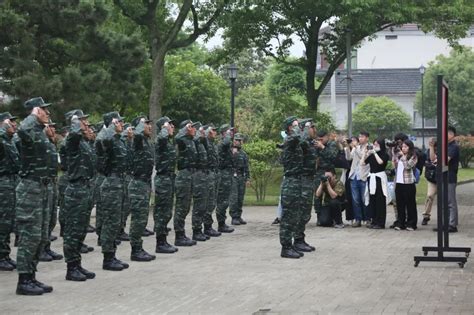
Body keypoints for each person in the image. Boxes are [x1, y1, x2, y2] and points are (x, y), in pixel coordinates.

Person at [15, 97, 54, 295]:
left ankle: (31, 276)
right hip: (30, 188)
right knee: (29, 236)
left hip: (42, 188)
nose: (48, 114)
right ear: (37, 111)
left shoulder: (40, 134)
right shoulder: (28, 131)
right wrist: (32, 115)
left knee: (40, 236)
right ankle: (23, 281)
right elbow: (21, 129)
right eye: (45, 110)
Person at [62, 110, 97, 281]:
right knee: (72, 231)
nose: (86, 123)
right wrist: (75, 121)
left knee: (81, 229)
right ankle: (71, 267)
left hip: (85, 189)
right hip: (75, 190)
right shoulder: (72, 140)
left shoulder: (83, 141)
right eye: (82, 120)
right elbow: (74, 133)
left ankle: (77, 264)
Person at [99, 111, 130, 271]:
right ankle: (107, 258)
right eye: (118, 122)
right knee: (110, 221)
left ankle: (112, 255)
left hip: (119, 182)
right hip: (111, 183)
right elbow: (103, 140)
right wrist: (110, 126)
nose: (122, 124)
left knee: (115, 221)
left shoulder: (119, 141)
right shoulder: (108, 139)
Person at [126, 116, 156, 261]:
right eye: (146, 125)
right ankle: (135, 250)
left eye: (150, 125)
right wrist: (139, 125)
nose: (150, 127)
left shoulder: (146, 142)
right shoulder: (137, 141)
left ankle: (139, 248)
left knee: (142, 218)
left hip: (144, 183)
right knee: (138, 219)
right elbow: (137, 134)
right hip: (137, 184)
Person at [279, 116, 304, 259]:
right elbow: (296, 136)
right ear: (289, 127)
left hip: (296, 182)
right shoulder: (289, 139)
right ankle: (285, 247)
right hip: (290, 183)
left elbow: (302, 140)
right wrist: (298, 129)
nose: (298, 127)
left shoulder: (294, 140)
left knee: (294, 216)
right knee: (288, 216)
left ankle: (290, 245)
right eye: (295, 125)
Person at [38, 121, 63, 262]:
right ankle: (40, 249)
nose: (53, 129)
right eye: (50, 126)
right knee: (43, 219)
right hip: (43, 183)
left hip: (52, 182)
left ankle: (46, 247)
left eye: (54, 126)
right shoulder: (39, 142)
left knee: (51, 218)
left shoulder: (50, 143)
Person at [154, 116, 179, 253]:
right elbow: (162, 138)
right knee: (162, 212)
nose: (172, 127)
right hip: (163, 180)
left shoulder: (168, 143)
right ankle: (160, 243)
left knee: (167, 212)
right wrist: (164, 127)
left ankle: (163, 240)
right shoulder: (161, 140)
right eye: (170, 125)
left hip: (169, 179)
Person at [173, 120, 200, 246]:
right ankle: (179, 235)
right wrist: (184, 128)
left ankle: (182, 233)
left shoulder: (192, 141)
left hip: (190, 175)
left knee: (186, 206)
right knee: (181, 206)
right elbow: (177, 137)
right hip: (183, 175)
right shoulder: (182, 140)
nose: (194, 129)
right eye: (191, 127)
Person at [0, 113, 20, 271]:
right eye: (10, 122)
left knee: (7, 222)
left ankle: (5, 255)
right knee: (3, 222)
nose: (13, 125)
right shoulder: (1, 139)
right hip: (3, 183)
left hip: (11, 182)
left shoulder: (10, 141)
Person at [293, 119, 317, 251]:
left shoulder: (309, 143)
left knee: (305, 212)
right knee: (302, 212)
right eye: (312, 128)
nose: (315, 130)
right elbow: (301, 141)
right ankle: (297, 240)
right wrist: (305, 130)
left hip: (308, 180)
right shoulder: (302, 142)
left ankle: (300, 238)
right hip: (302, 181)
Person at [361, 138, 389, 229]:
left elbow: (381, 162)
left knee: (380, 200)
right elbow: (362, 163)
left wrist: (374, 153)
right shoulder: (371, 155)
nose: (375, 146)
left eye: (377, 144)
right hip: (371, 178)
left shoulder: (384, 154)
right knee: (372, 200)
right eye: (374, 144)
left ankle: (380, 222)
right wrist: (365, 153)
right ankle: (374, 220)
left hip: (379, 178)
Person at [191, 122, 210, 241]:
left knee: (203, 204)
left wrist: (203, 138)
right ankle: (196, 230)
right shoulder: (194, 142)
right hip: (197, 175)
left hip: (203, 174)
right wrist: (198, 135)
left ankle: (200, 229)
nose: (204, 132)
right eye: (201, 130)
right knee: (198, 204)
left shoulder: (202, 143)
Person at [393, 139, 418, 231]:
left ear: (410, 147)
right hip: (399, 183)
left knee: (410, 204)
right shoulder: (399, 156)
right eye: (402, 146)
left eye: (405, 147)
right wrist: (395, 153)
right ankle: (401, 223)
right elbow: (394, 165)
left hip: (408, 183)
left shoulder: (413, 156)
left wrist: (403, 156)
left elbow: (408, 166)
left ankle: (411, 223)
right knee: (400, 204)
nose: (403, 148)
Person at [314, 130, 338, 223]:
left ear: (327, 137)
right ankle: (319, 216)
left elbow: (332, 156)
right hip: (319, 171)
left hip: (329, 172)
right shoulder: (316, 145)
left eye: (321, 139)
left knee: (331, 194)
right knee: (317, 194)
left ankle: (333, 216)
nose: (320, 141)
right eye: (318, 139)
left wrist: (322, 147)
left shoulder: (332, 144)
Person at [347, 131, 370, 227]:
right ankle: (358, 219)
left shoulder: (369, 147)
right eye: (359, 137)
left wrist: (355, 147)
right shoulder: (357, 147)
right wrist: (347, 147)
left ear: (367, 138)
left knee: (365, 199)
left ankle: (368, 218)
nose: (360, 138)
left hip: (363, 176)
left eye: (362, 137)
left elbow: (363, 158)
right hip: (354, 176)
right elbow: (349, 158)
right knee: (355, 199)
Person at [202, 124, 222, 237]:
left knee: (212, 201)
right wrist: (205, 133)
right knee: (207, 202)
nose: (215, 132)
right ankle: (206, 227)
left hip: (213, 173)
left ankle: (208, 226)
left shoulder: (213, 144)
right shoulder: (204, 142)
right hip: (207, 174)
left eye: (215, 130)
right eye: (212, 131)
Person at [215, 124, 235, 233]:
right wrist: (227, 136)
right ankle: (221, 224)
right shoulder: (223, 143)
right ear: (223, 133)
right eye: (228, 132)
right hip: (223, 175)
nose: (231, 133)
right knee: (222, 200)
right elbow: (227, 142)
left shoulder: (226, 144)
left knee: (225, 200)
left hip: (227, 174)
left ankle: (222, 222)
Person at [230, 133, 250, 225]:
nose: (237, 142)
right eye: (236, 140)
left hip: (241, 177)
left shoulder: (244, 154)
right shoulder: (230, 152)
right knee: (234, 197)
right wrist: (233, 154)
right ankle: (234, 217)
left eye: (239, 140)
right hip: (232, 177)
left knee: (240, 198)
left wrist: (248, 179)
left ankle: (238, 216)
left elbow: (246, 167)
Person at [445, 126, 460, 232]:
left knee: (450, 201)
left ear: (451, 135)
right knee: (443, 201)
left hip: (450, 176)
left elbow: (446, 160)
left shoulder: (453, 146)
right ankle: (444, 223)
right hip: (442, 176)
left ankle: (452, 224)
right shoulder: (445, 146)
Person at [422, 138, 437, 225]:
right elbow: (431, 159)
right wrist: (431, 148)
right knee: (430, 196)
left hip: (442, 178)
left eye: (432, 142)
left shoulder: (442, 150)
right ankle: (426, 216)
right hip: (432, 178)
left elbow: (434, 160)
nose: (431, 143)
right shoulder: (428, 150)